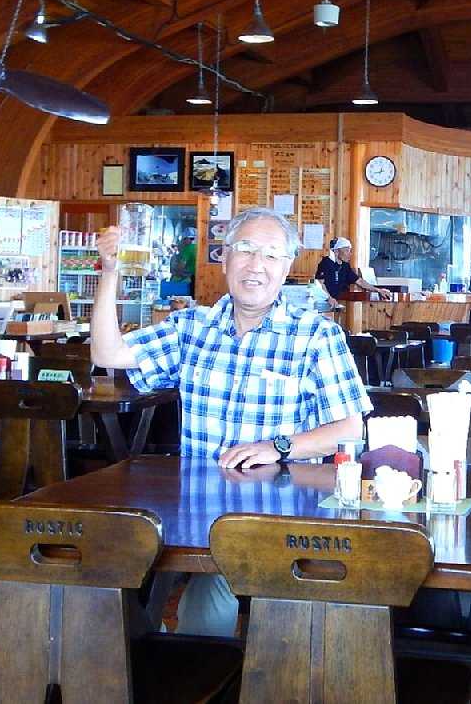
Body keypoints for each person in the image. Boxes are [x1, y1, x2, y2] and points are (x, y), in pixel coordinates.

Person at [92, 206, 372, 636]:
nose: (256, 265)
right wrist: (110, 272)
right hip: (195, 515)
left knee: (214, 609)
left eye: (271, 255)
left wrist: (276, 448)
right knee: (108, 580)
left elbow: (350, 430)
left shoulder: (317, 335)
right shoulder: (191, 327)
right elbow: (106, 354)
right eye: (245, 249)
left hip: (279, 520)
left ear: (286, 268)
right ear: (224, 258)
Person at [314, 237, 393, 305]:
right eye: (347, 251)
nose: (350, 254)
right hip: (326, 301)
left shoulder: (345, 266)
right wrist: (329, 298)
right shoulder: (326, 263)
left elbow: (360, 281)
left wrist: (378, 290)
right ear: (336, 251)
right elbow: (320, 283)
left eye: (350, 251)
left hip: (340, 301)